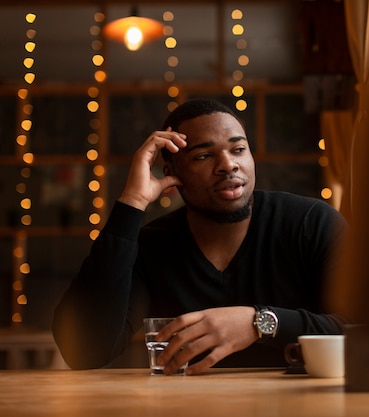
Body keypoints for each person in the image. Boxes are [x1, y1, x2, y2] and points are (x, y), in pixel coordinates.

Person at [52, 98, 347, 375]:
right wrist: (132, 202)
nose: (228, 164)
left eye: (238, 149)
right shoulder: (153, 246)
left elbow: (368, 330)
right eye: (204, 155)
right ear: (171, 172)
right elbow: (84, 352)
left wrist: (260, 323)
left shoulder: (312, 223)